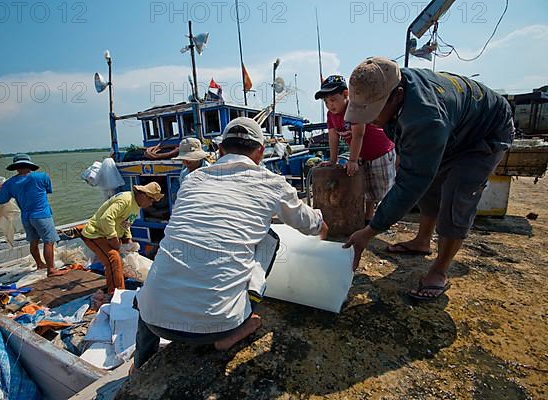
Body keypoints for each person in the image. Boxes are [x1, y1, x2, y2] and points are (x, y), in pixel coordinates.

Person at [132, 117, 328, 369]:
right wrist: (325, 228)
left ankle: (141, 364)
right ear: (259, 153)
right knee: (269, 238)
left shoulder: (192, 180)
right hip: (218, 326)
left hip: (152, 319)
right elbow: (311, 224)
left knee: (153, 285)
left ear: (221, 150)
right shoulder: (272, 183)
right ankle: (238, 328)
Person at [343, 57, 514, 301]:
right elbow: (409, 152)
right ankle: (422, 241)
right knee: (429, 185)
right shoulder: (390, 83)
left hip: (483, 132)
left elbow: (411, 182)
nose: (369, 119)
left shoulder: (426, 117)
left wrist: (370, 231)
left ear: (398, 95)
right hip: (452, 127)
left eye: (373, 110)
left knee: (458, 194)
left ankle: (440, 269)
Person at [316, 75, 397, 224]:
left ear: (345, 94)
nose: (330, 105)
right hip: (362, 155)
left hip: (380, 151)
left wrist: (352, 160)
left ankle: (385, 220)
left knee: (384, 190)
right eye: (326, 102)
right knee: (366, 189)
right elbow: (333, 137)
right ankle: (368, 218)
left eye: (333, 100)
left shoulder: (354, 108)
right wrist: (332, 160)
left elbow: (359, 134)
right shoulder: (331, 115)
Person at [81, 183, 164, 294]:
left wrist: (128, 239)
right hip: (96, 233)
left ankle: (116, 283)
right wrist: (113, 238)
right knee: (113, 259)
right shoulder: (125, 200)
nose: (151, 204)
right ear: (144, 195)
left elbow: (126, 224)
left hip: (108, 234)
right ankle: (116, 292)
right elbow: (106, 218)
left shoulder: (136, 206)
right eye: (151, 200)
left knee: (120, 260)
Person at [0, 154, 66, 277]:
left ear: (16, 168)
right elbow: (48, 190)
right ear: (30, 166)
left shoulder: (10, 183)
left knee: (33, 242)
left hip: (26, 217)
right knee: (49, 242)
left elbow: (1, 200)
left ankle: (40, 264)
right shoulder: (41, 177)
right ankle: (51, 270)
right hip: (42, 215)